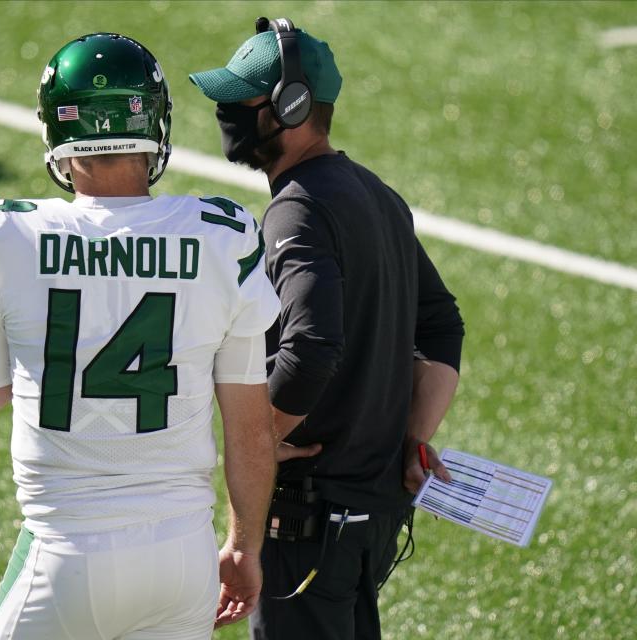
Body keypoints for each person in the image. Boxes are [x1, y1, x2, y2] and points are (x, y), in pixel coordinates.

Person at [0, 33, 281, 639]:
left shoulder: (5, 234)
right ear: (154, 127)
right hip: (183, 555)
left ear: (57, 133)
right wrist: (244, 547)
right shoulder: (222, 235)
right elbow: (251, 430)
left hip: (66, 548)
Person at [189, 17, 465, 640]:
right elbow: (442, 325)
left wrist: (259, 438)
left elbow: (312, 346)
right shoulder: (378, 195)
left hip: (314, 523)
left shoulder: (298, 208)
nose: (227, 109)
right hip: (366, 516)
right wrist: (413, 435)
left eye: (242, 97)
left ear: (291, 105)